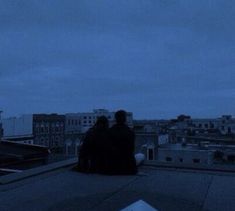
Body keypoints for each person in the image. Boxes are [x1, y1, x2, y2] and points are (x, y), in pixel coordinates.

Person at [107, 110, 137, 175]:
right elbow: (131, 149)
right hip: (128, 167)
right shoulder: (130, 132)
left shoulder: (109, 131)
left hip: (112, 166)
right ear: (125, 119)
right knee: (140, 156)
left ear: (115, 118)